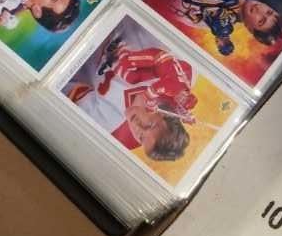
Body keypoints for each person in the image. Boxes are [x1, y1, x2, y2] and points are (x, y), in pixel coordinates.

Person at [65, 33, 196, 161]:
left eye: (141, 137)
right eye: (149, 125)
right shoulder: (180, 81)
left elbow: (63, 82)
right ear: (166, 115)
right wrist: (167, 61)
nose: (137, 126)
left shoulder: (107, 122)